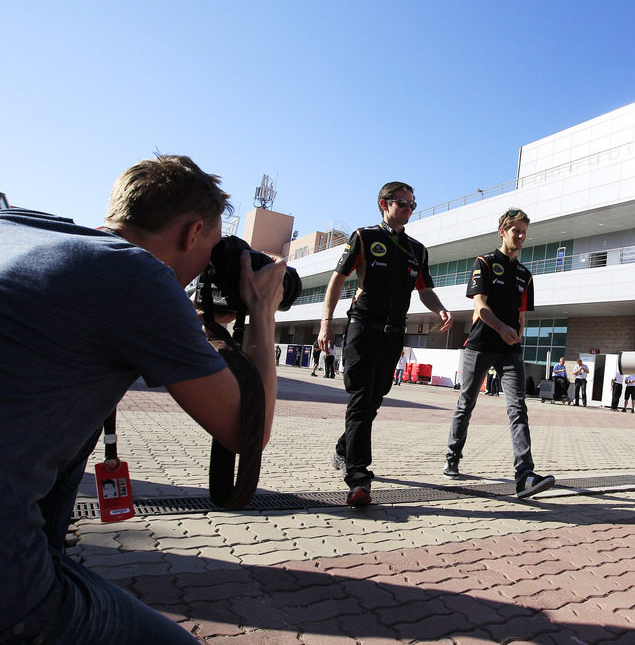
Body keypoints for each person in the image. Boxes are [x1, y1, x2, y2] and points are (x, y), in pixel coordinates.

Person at [0, 155, 285, 643]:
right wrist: (260, 309)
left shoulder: (19, 226)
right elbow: (247, 432)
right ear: (192, 233)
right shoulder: (134, 275)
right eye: (212, 247)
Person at [318, 182, 453, 507]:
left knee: (374, 399)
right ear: (384, 203)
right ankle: (359, 477)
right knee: (362, 399)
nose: (407, 208)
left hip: (394, 333)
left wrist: (440, 307)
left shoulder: (417, 250)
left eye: (412, 203)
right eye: (401, 202)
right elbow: (337, 279)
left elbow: (424, 289)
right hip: (363, 328)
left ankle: (343, 449)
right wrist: (326, 322)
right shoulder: (365, 238)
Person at [442, 209, 556, 499]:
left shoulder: (525, 275)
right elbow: (479, 305)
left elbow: (521, 316)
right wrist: (502, 328)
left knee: (518, 407)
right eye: (515, 230)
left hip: (510, 350)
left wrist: (515, 336)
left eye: (524, 232)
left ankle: (525, 476)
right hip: (479, 346)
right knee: (466, 402)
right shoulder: (485, 263)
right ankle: (453, 456)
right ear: (502, 231)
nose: (520, 236)